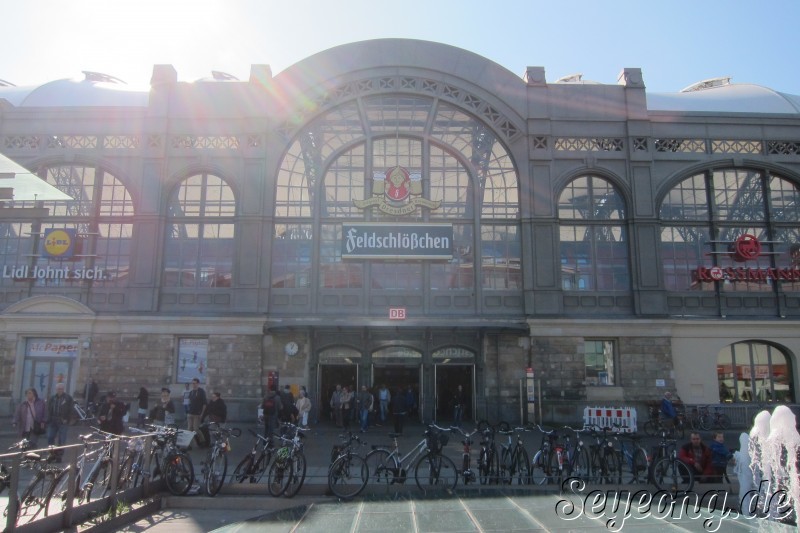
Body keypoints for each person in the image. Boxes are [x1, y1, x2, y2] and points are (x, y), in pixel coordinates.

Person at [46, 382, 74, 459]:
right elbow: (49, 408)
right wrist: (48, 419)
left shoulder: (68, 398)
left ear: (63, 389)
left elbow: (71, 409)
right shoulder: (52, 398)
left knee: (62, 440)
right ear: (56, 389)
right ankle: (51, 453)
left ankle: (59, 455)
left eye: (61, 389)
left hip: (63, 421)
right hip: (53, 420)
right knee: (50, 437)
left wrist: (68, 419)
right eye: (58, 389)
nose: (60, 390)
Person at [187, 378, 207, 446]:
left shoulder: (201, 391)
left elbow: (204, 403)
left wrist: (202, 413)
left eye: (195, 383)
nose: (193, 385)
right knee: (189, 429)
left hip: (197, 414)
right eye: (192, 383)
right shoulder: (191, 392)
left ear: (198, 383)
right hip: (190, 413)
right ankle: (189, 443)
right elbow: (190, 402)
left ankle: (203, 440)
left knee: (196, 429)